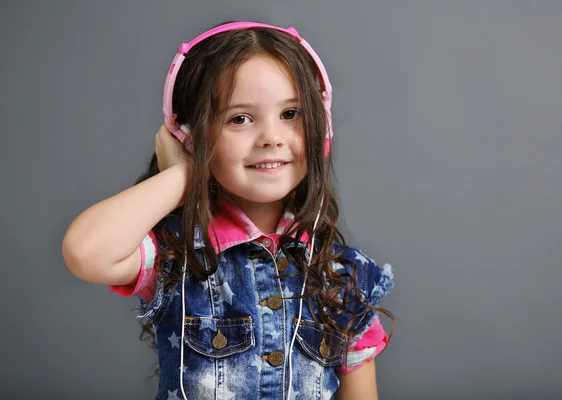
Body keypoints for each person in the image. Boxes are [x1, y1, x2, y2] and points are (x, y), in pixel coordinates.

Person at [62, 21, 395, 400]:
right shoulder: (177, 252)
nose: (271, 137)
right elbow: (85, 251)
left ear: (324, 127)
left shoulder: (344, 276)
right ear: (189, 136)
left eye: (291, 114)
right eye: (240, 118)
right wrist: (183, 176)